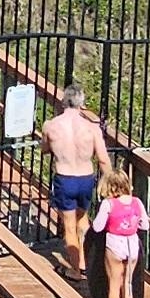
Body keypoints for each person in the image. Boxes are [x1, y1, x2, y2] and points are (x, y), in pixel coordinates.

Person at [39, 83, 107, 277]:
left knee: (69, 225)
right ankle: (90, 263)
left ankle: (78, 269)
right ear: (81, 104)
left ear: (63, 102)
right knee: (83, 221)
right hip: (86, 178)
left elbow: (45, 149)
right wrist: (109, 183)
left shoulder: (51, 125)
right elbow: (102, 159)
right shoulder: (91, 128)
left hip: (65, 177)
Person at [93, 165, 148, 298]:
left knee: (114, 283)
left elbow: (97, 227)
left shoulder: (108, 204)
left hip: (115, 243)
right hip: (132, 243)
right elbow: (145, 225)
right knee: (128, 283)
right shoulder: (136, 202)